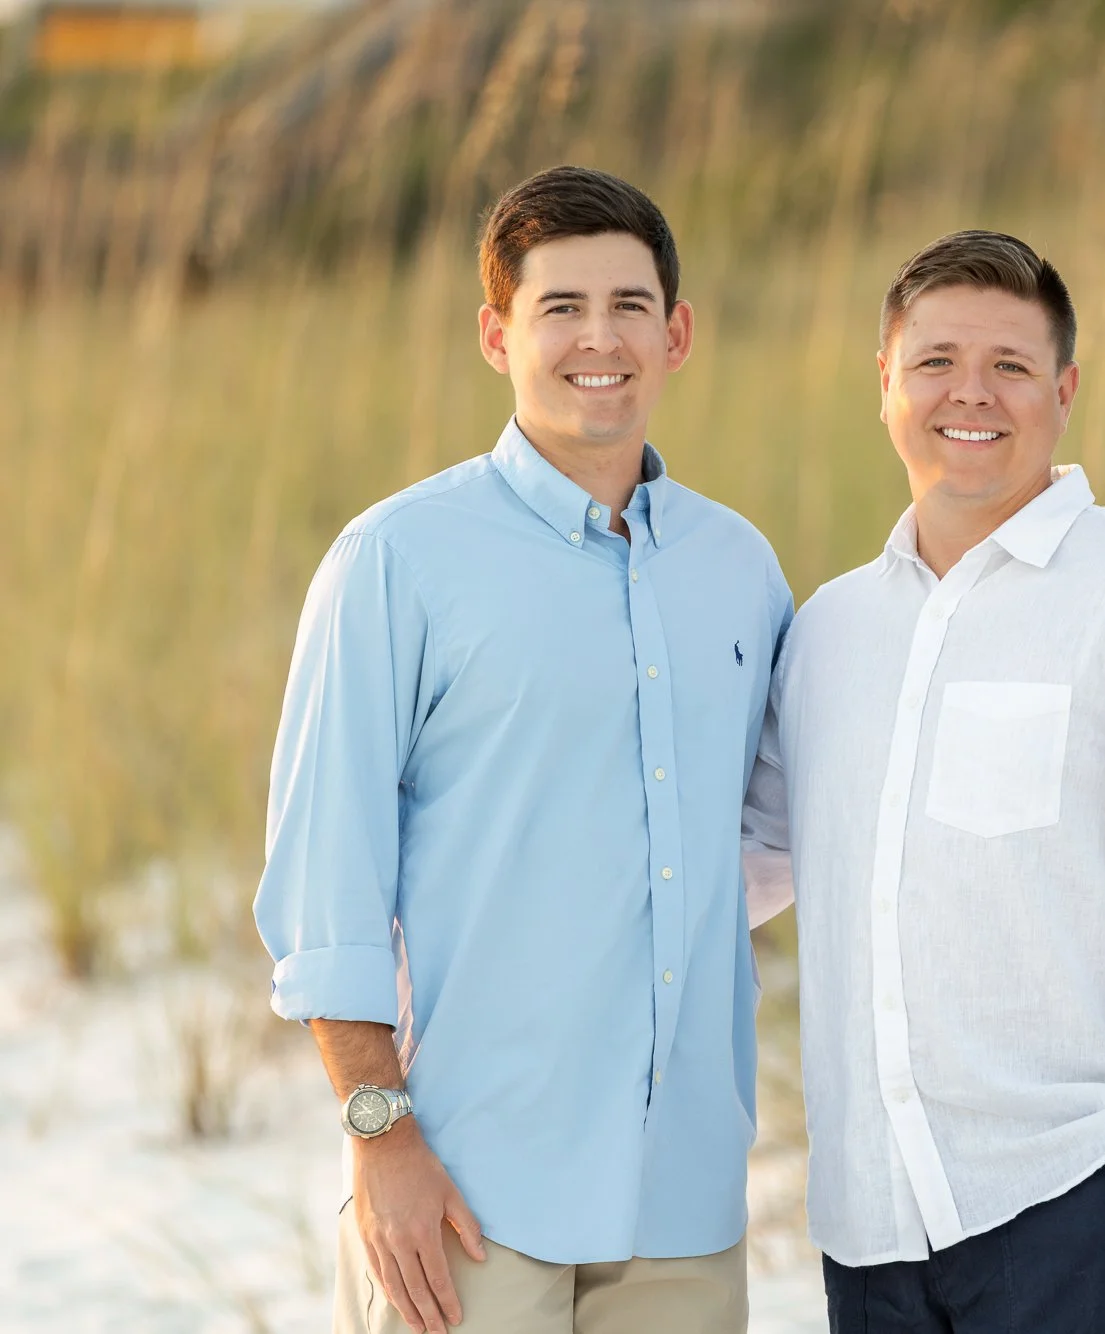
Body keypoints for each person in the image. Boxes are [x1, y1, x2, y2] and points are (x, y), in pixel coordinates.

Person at [254, 165, 790, 1334]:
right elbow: (323, 887)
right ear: (497, 335)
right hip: (462, 1194)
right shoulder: (398, 558)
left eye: (628, 305)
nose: (598, 339)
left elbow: (766, 830)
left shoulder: (737, 567)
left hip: (682, 1199)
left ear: (677, 331)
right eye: (560, 308)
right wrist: (378, 1136)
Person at [740, 230, 1105, 1332]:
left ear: (1065, 388)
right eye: (936, 360)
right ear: (885, 384)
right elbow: (744, 864)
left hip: (1077, 1206)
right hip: (867, 1223)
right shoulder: (827, 630)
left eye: (1008, 365)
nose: (970, 394)